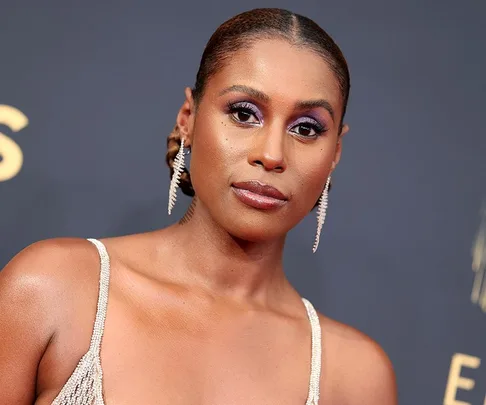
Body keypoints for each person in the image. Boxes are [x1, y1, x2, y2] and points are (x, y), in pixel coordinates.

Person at [0, 8, 397, 405]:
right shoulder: (51, 289)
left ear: (335, 153)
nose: (272, 154)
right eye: (244, 114)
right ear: (188, 118)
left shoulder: (354, 377)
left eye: (306, 128)